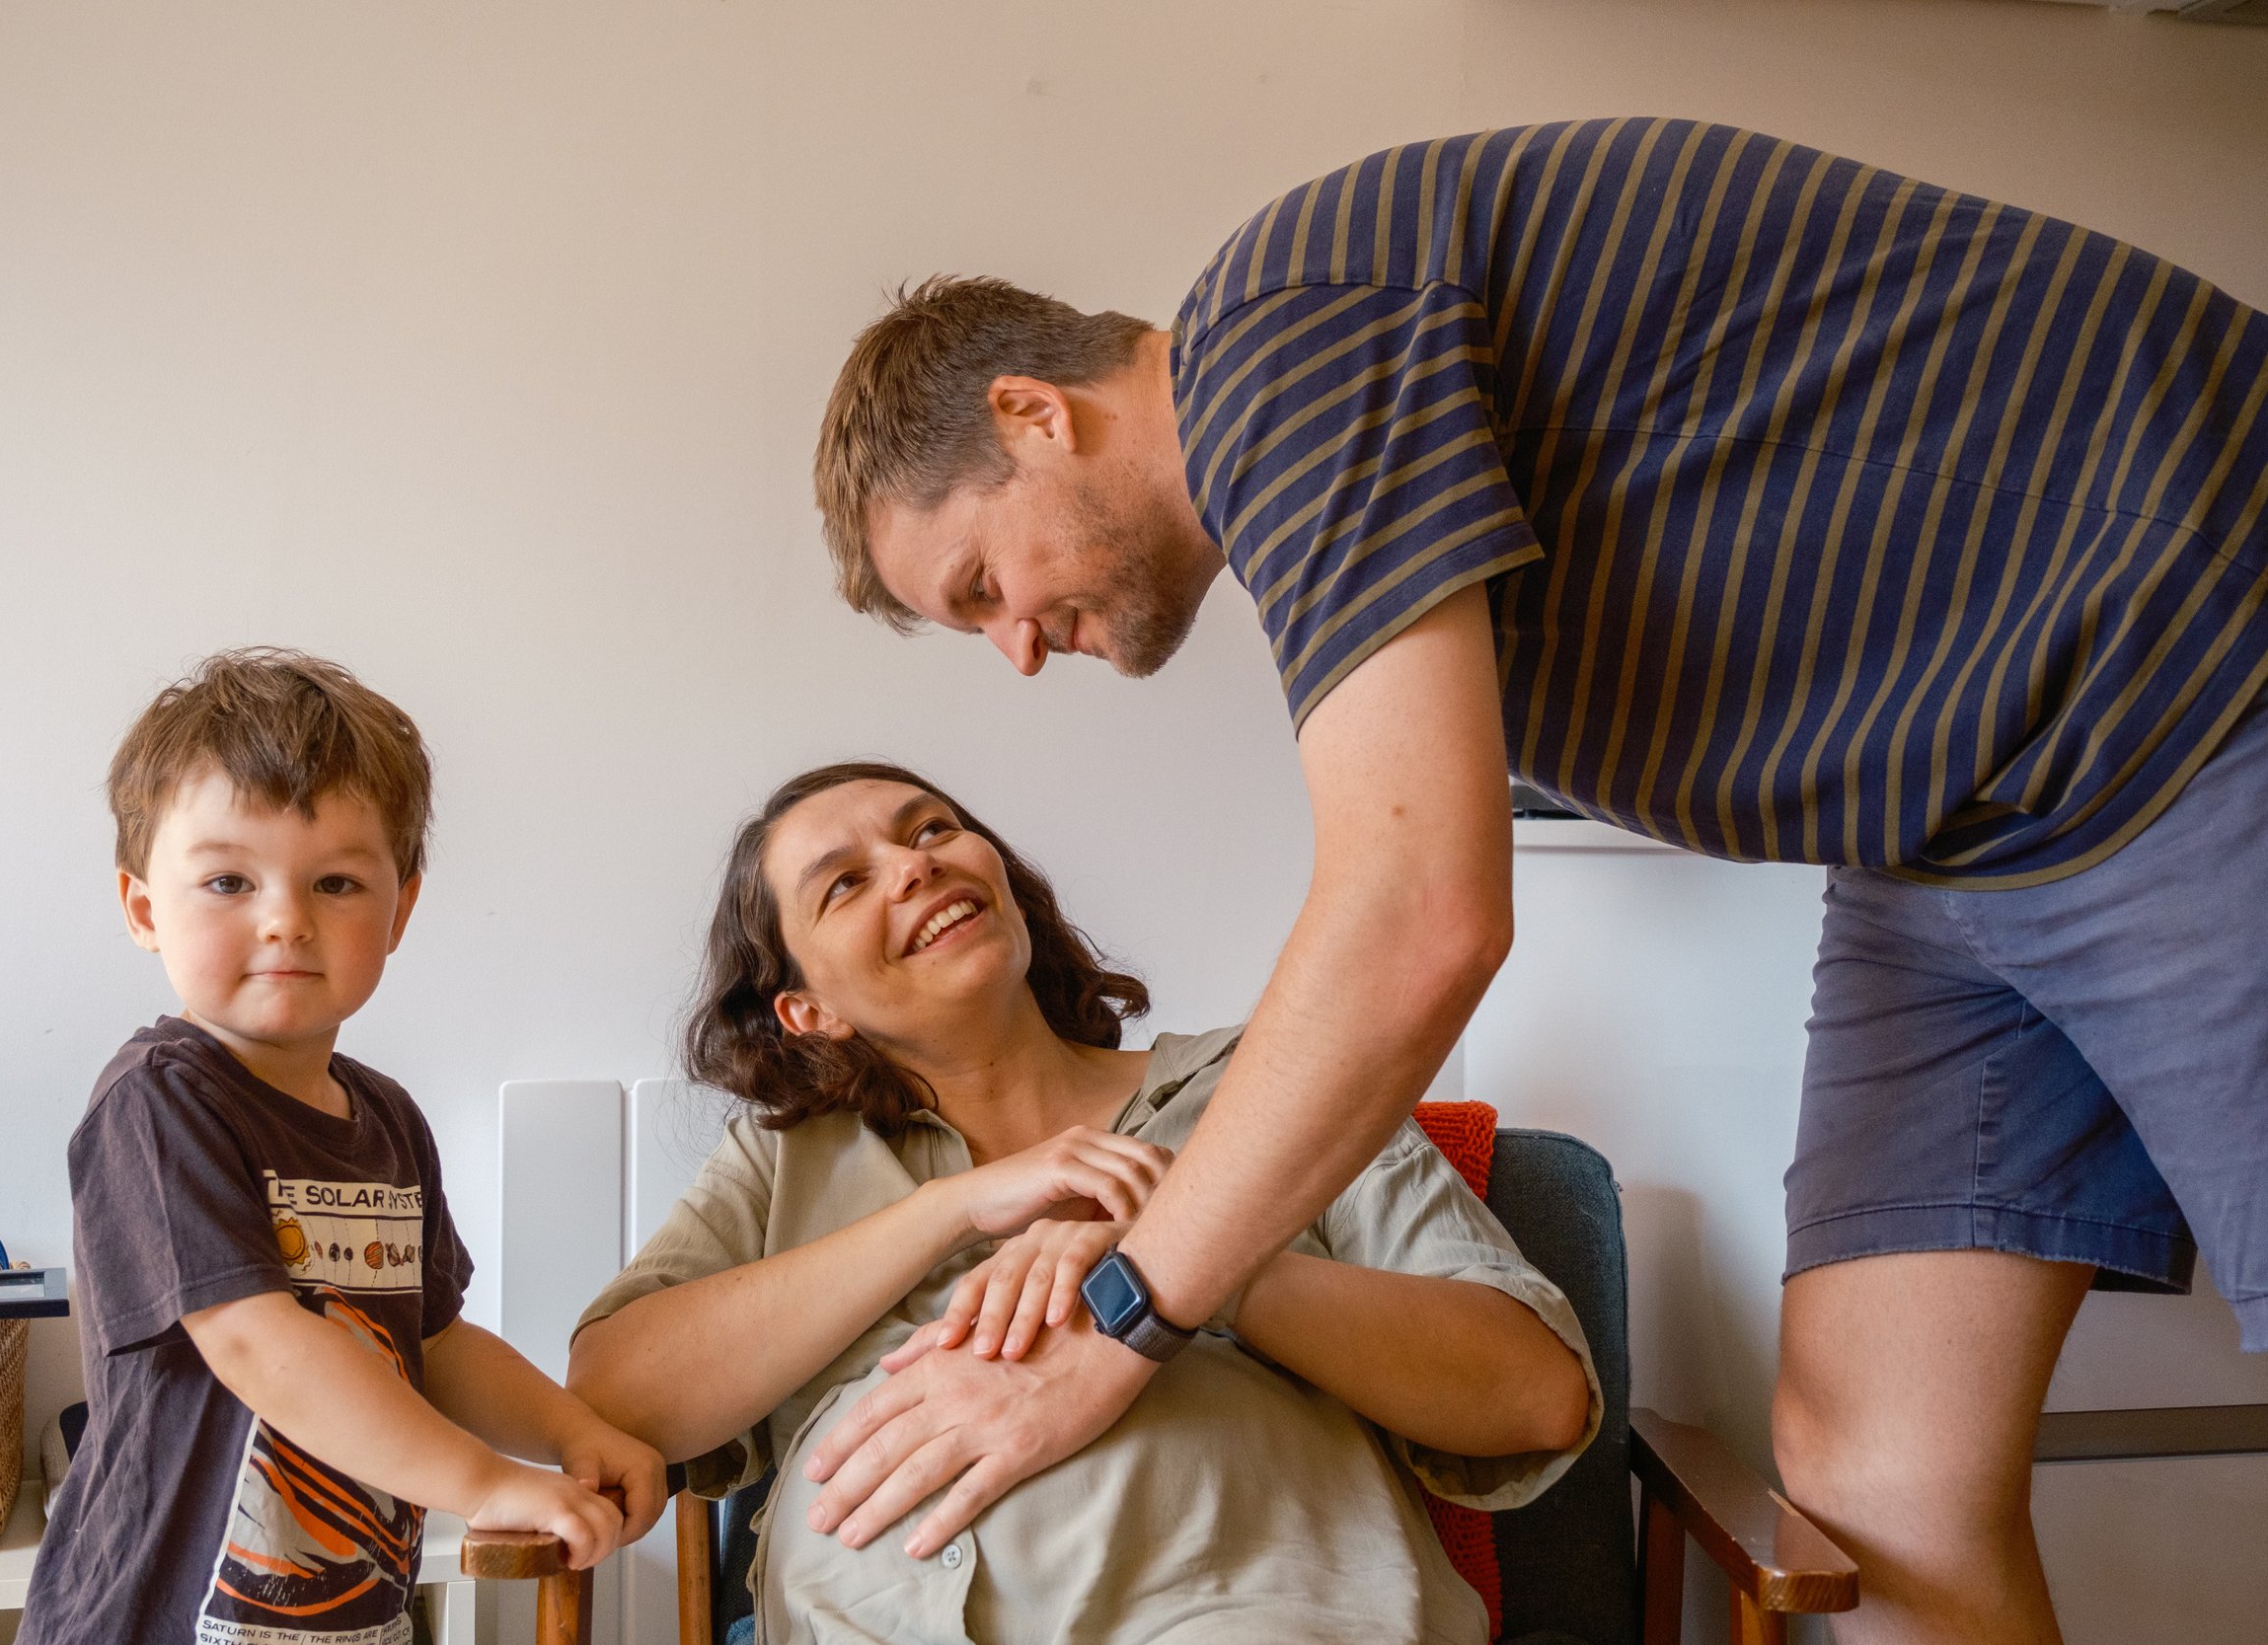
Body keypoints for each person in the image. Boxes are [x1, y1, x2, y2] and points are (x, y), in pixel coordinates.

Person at [806, 117, 2268, 1645]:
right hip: (1946, 825)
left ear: (1034, 413)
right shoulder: (1343, 455)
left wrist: (1117, 1324)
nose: (1019, 646)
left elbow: (1419, 915)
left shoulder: (1282, 334)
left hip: (2183, 650)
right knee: (1873, 1478)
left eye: (985, 584)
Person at [567, 762, 1595, 1645]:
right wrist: (954, 1206)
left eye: (932, 829)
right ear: (808, 1008)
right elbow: (617, 1399)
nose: (915, 865)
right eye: (845, 882)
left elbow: (1533, 1394)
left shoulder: (1265, 1087)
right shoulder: (782, 1159)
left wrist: (1177, 1264)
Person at [21, 649, 667, 1645]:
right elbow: (256, 1342)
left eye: (335, 881)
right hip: (159, 1620)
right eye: (228, 880)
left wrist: (569, 1428)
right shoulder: (158, 1101)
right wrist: (484, 1479)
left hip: (345, 1618)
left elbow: (436, 1343)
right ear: (145, 909)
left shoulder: (388, 1118)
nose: (286, 919)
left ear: (399, 909)